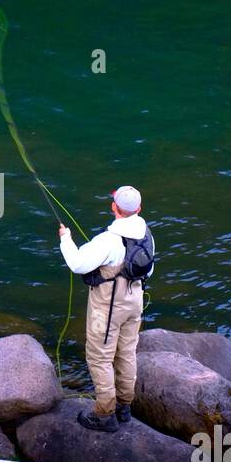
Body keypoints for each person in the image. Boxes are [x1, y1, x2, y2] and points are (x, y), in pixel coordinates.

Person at [58, 185, 152, 432]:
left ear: (114, 207)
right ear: (139, 209)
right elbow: (149, 269)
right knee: (126, 353)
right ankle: (124, 407)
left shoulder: (108, 241)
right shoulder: (147, 236)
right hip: (135, 301)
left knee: (100, 357)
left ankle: (104, 414)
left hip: (108, 307)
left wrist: (65, 238)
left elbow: (77, 264)